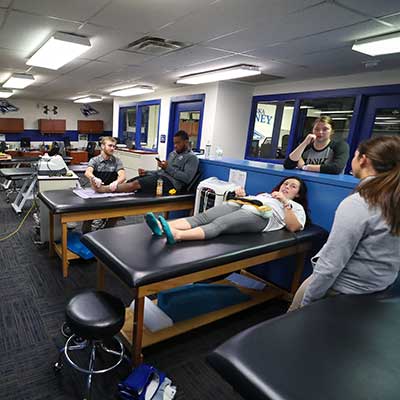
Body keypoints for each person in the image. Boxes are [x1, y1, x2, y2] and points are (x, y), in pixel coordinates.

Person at [288, 135, 400, 311]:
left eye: (355, 156)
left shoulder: (360, 202)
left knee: (291, 323)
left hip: (340, 291)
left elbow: (330, 265)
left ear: (363, 160)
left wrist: (306, 305)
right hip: (378, 291)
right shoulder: (392, 201)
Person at [145, 177, 309, 244]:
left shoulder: (296, 207)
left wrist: (285, 202)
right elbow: (251, 199)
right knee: (201, 217)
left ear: (298, 193)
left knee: (219, 224)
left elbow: (294, 227)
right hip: (244, 203)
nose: (287, 187)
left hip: (261, 216)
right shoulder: (267, 194)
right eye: (285, 184)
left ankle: (177, 235)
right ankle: (162, 227)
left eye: (292, 186)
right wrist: (243, 194)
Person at [95, 130, 199, 196]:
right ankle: (110, 192)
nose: (175, 146)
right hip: (161, 178)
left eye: (178, 143)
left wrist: (168, 168)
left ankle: (104, 189)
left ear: (186, 142)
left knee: (135, 184)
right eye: (174, 143)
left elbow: (187, 179)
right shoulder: (172, 154)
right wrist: (148, 172)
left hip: (173, 184)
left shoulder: (192, 158)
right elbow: (162, 172)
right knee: (132, 180)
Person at [82, 136, 126, 233]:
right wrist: (94, 178)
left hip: (111, 192)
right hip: (96, 193)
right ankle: (86, 238)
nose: (112, 148)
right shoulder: (94, 160)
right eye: (110, 146)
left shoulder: (117, 161)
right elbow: (87, 172)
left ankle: (105, 235)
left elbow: (122, 176)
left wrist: (117, 182)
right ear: (102, 146)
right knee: (88, 217)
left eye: (114, 146)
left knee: (114, 216)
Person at [284, 116, 349, 174]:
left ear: (332, 131)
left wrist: (305, 167)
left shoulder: (340, 146)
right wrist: (304, 143)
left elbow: (336, 168)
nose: (320, 132)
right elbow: (288, 165)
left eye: (325, 129)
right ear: (312, 130)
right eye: (317, 129)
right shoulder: (306, 146)